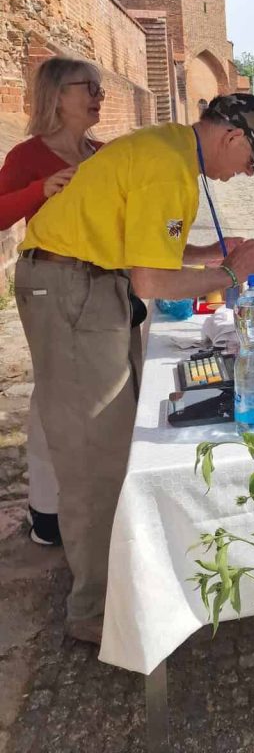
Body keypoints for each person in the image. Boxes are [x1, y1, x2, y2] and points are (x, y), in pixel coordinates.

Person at [15, 93, 254, 644]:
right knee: (95, 452)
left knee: (113, 437)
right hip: (71, 286)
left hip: (85, 280)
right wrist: (229, 274)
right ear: (232, 137)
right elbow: (151, 282)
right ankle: (94, 609)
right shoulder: (168, 166)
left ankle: (114, 579)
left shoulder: (173, 150)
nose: (246, 172)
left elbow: (148, 249)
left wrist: (207, 255)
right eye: (250, 160)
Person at [0, 57, 106, 547]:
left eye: (100, 89)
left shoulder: (101, 153)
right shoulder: (28, 155)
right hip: (47, 286)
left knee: (98, 396)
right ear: (58, 96)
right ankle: (47, 510)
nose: (99, 97)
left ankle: (93, 499)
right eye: (90, 88)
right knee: (54, 396)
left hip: (101, 287)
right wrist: (40, 189)